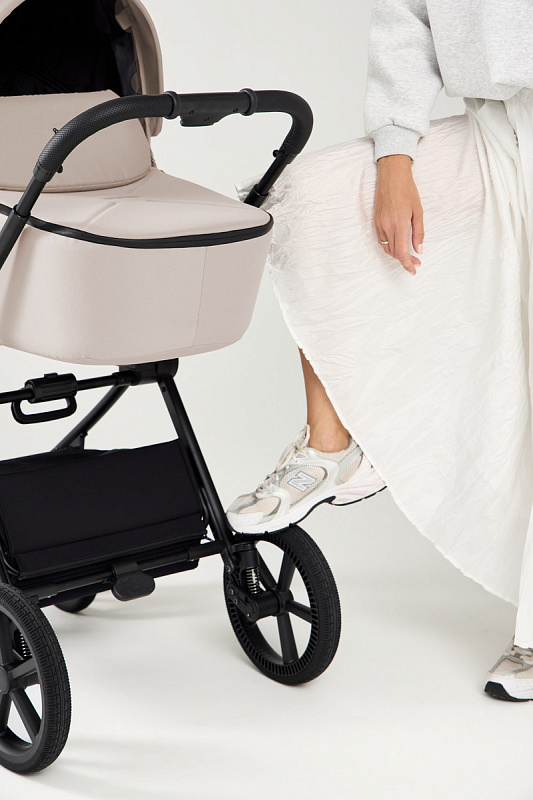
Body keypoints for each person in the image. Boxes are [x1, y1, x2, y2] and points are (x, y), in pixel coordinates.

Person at [227, 0, 533, 701]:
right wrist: (394, 152)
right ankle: (332, 445)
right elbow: (406, 16)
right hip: (495, 127)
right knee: (310, 196)